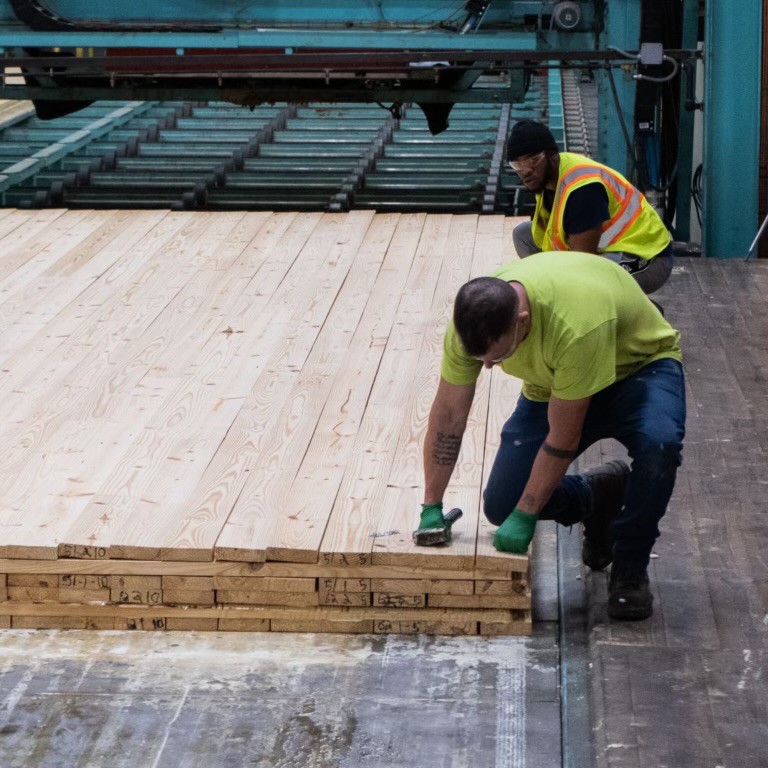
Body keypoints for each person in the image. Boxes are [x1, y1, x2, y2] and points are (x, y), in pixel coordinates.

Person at [417, 251, 685, 620]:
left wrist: (527, 516)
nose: (490, 366)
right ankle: (598, 493)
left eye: (498, 356)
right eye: (481, 359)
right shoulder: (473, 328)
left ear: (522, 321)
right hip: (556, 382)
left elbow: (563, 439)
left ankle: (630, 567)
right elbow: (448, 416)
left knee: (660, 446)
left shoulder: (574, 325)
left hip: (639, 370)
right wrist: (431, 505)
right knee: (501, 504)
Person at [508, 119, 673, 295]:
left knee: (590, 281)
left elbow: (583, 263)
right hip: (610, 248)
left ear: (552, 155)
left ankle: (639, 313)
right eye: (517, 164)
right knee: (522, 236)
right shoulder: (545, 179)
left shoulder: (582, 190)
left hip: (648, 258)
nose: (525, 170)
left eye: (533, 160)